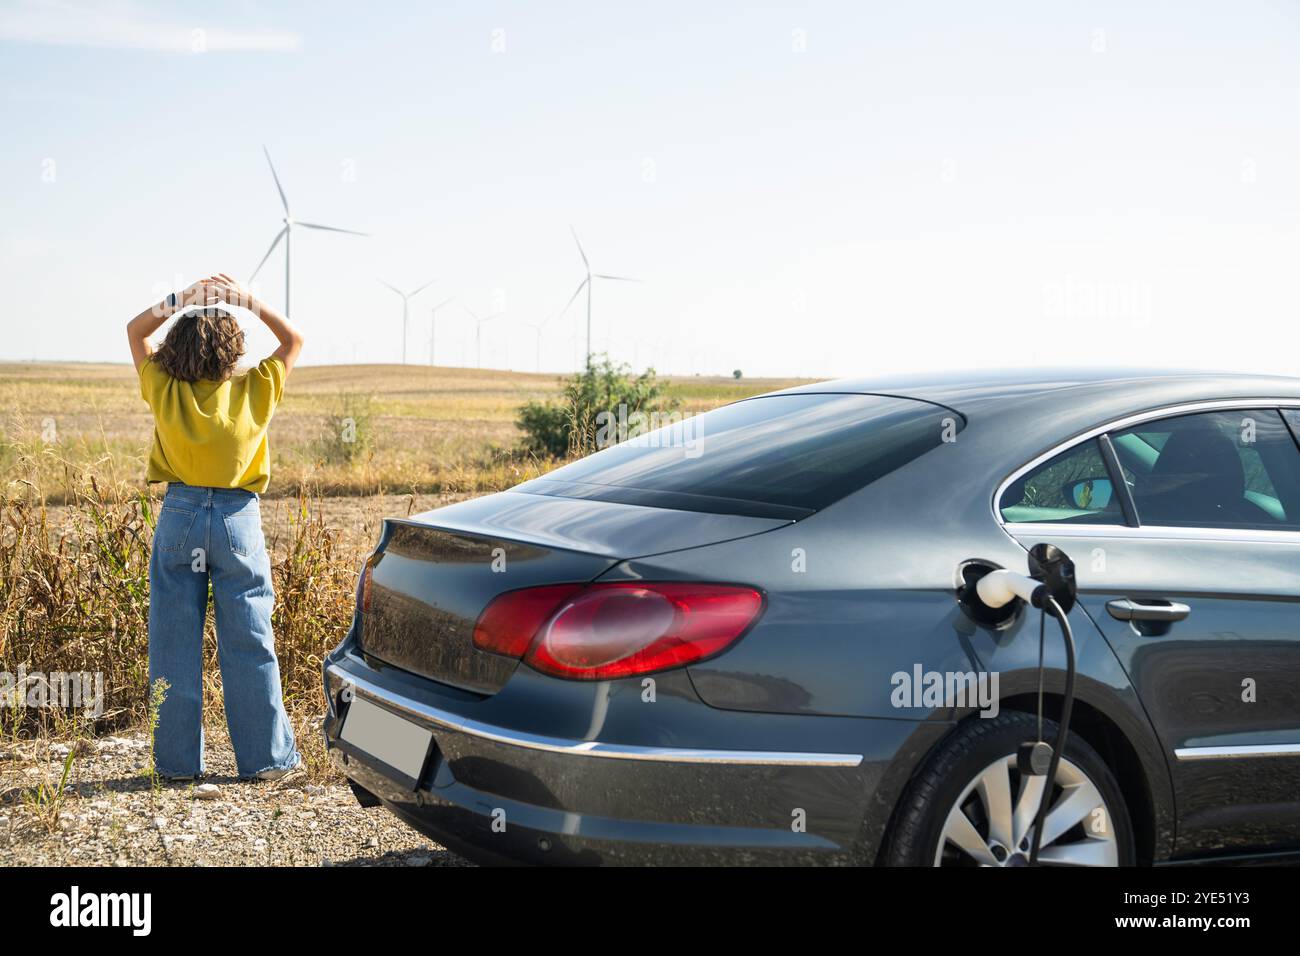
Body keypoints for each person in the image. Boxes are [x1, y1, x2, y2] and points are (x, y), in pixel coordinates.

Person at [126, 274, 303, 781]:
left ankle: (178, 766)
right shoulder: (257, 389)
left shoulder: (164, 388)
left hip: (179, 515)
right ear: (234, 351)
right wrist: (246, 301)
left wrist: (183, 299)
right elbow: (294, 340)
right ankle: (266, 761)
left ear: (176, 347)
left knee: (172, 642)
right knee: (249, 639)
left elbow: (135, 331)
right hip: (236, 519)